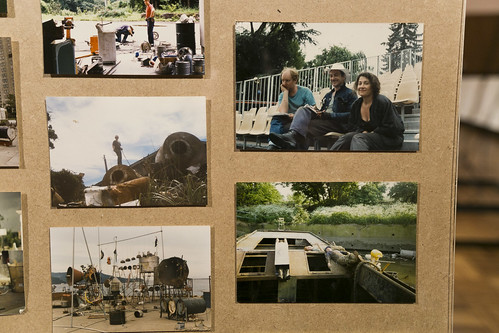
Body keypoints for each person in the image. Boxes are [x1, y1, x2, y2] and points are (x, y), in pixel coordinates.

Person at [269, 63, 358, 150]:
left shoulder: (350, 94)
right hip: (325, 121)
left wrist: (329, 115)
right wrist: (318, 112)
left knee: (302, 127)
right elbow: (323, 111)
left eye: (336, 75)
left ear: (343, 77)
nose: (333, 78)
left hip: (338, 124)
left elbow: (352, 115)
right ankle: (292, 140)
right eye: (331, 76)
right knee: (303, 111)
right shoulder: (328, 95)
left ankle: (293, 145)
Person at [330, 72, 405, 151]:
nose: (361, 86)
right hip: (368, 138)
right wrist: (362, 131)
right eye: (359, 83)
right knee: (346, 137)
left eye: (366, 83)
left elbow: (394, 127)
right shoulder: (356, 104)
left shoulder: (381, 101)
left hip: (390, 139)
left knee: (359, 137)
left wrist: (373, 132)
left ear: (373, 86)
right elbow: (351, 126)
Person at [267, 67, 316, 150]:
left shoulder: (305, 91)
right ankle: (273, 144)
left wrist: (296, 116)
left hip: (302, 121)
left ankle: (288, 141)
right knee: (276, 118)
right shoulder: (282, 95)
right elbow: (283, 112)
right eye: (282, 80)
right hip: (288, 119)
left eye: (287, 80)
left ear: (295, 80)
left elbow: (313, 109)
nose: (284, 83)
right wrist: (285, 93)